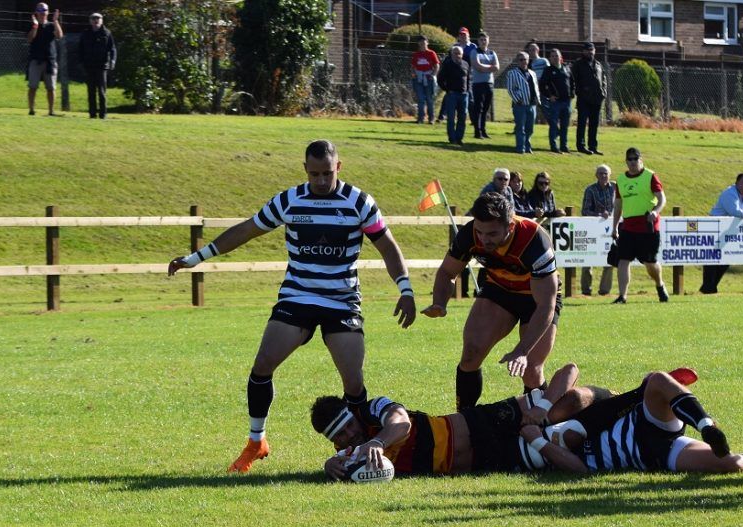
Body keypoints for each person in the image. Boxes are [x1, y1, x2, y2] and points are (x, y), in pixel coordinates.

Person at [167, 140, 416, 473]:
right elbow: (246, 230)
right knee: (262, 365)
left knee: (353, 384)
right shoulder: (289, 200)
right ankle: (257, 442)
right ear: (305, 170)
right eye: (314, 174)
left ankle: (362, 451)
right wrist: (195, 258)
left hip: (341, 301)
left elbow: (388, 246)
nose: (321, 180)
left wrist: (406, 289)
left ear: (338, 167)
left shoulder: (360, 202)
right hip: (297, 296)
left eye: (327, 173)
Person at [316, 363, 743, 479]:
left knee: (632, 388)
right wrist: (336, 465)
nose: (346, 437)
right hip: (649, 451)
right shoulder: (573, 431)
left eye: (345, 428)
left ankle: (703, 418)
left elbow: (401, 424)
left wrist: (540, 425)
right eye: (338, 436)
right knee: (732, 467)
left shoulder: (379, 414)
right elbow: (330, 467)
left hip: (496, 427)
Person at [422, 192, 560, 409]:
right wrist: (440, 302)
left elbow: (546, 305)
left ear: (510, 227)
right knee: (470, 355)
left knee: (531, 368)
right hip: (499, 290)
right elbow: (447, 272)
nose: (485, 239)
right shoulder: (469, 234)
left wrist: (522, 350)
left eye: (493, 233)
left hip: (537, 299)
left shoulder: (534, 240)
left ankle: (539, 423)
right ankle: (465, 419)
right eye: (480, 232)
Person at [612, 147, 668, 303]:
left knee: (650, 262)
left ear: (640, 160)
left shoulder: (650, 176)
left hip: (647, 226)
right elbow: (618, 205)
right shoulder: (621, 180)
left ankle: (659, 284)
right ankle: (622, 296)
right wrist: (615, 226)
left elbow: (662, 199)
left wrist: (655, 212)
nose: (632, 162)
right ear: (626, 161)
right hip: (628, 226)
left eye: (635, 159)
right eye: (629, 159)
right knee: (623, 260)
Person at [704, 173, 743, 294]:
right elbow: (735, 211)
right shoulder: (729, 193)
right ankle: (709, 288)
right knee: (712, 258)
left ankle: (709, 287)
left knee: (726, 258)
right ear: (736, 183)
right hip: (715, 226)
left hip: (729, 230)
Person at [580, 164, 615, 296]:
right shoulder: (590, 189)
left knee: (610, 258)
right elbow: (585, 210)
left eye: (605, 173)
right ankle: (585, 290)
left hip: (611, 228)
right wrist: (599, 215)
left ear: (609, 175)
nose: (603, 176)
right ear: (596, 175)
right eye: (600, 173)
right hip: (593, 228)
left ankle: (605, 291)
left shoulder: (616, 188)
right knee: (588, 260)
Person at [78, 12, 116, 120]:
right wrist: (81, 62)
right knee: (91, 91)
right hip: (89, 66)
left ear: (102, 20)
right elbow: (80, 49)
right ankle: (92, 114)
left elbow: (112, 49)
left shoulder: (106, 33)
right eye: (94, 18)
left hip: (102, 66)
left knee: (102, 91)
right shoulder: (85, 34)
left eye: (98, 18)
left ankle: (103, 114)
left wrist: (112, 61)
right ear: (90, 21)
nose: (96, 20)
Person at [26, 2, 62, 117]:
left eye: (44, 10)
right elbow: (30, 39)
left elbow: (59, 35)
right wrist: (35, 26)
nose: (42, 13)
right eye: (40, 10)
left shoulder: (51, 25)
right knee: (33, 87)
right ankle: (31, 110)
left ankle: (51, 111)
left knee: (51, 88)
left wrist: (56, 21)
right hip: (35, 60)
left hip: (49, 60)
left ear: (48, 12)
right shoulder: (33, 24)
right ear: (36, 12)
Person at [572, 41, 605, 156]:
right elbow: (573, 80)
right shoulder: (578, 64)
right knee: (582, 123)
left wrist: (603, 92)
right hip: (584, 99)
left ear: (594, 51)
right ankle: (581, 146)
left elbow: (603, 79)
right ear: (583, 51)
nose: (590, 52)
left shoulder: (598, 64)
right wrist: (580, 92)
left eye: (592, 50)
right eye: (587, 50)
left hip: (597, 99)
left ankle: (593, 146)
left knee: (594, 124)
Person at [539, 48, 573, 154]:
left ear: (560, 57)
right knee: (554, 124)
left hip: (567, 102)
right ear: (550, 58)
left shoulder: (566, 68)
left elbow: (572, 82)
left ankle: (564, 146)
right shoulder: (548, 70)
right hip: (555, 102)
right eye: (552, 56)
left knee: (564, 125)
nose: (555, 58)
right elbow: (542, 85)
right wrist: (550, 96)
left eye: (556, 56)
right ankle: (553, 146)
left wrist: (572, 93)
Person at [505, 50, 539, 154]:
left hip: (532, 104)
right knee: (520, 128)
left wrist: (537, 99)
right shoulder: (512, 73)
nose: (523, 61)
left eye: (525, 59)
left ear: (528, 61)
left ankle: (528, 147)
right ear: (517, 61)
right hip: (520, 105)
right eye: (521, 60)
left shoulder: (532, 73)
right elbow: (510, 89)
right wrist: (517, 99)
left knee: (530, 128)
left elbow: (536, 87)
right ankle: (520, 148)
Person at [437, 45, 469, 145]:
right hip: (452, 95)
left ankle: (459, 138)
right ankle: (452, 138)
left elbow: (468, 79)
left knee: (462, 117)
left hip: (464, 95)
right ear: (451, 54)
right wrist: (447, 89)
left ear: (462, 54)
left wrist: (468, 90)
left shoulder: (466, 64)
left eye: (459, 53)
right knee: (451, 118)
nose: (457, 55)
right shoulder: (447, 64)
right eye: (455, 53)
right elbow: (440, 79)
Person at [470, 32, 499, 140]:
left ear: (488, 40)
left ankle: (483, 130)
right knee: (479, 108)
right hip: (478, 84)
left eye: (485, 39)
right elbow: (477, 66)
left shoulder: (492, 52)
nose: (483, 41)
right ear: (478, 41)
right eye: (481, 39)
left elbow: (497, 67)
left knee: (486, 108)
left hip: (489, 84)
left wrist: (485, 67)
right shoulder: (475, 52)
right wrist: (490, 67)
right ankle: (477, 132)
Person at [410, 35, 439, 124]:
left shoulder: (431, 53)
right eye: (421, 42)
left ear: (427, 42)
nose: (423, 44)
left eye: (424, 42)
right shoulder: (416, 54)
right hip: (419, 79)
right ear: (418, 43)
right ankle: (420, 118)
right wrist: (414, 74)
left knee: (429, 99)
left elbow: (436, 65)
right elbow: (412, 66)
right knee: (420, 99)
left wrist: (433, 75)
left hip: (428, 78)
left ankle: (431, 118)